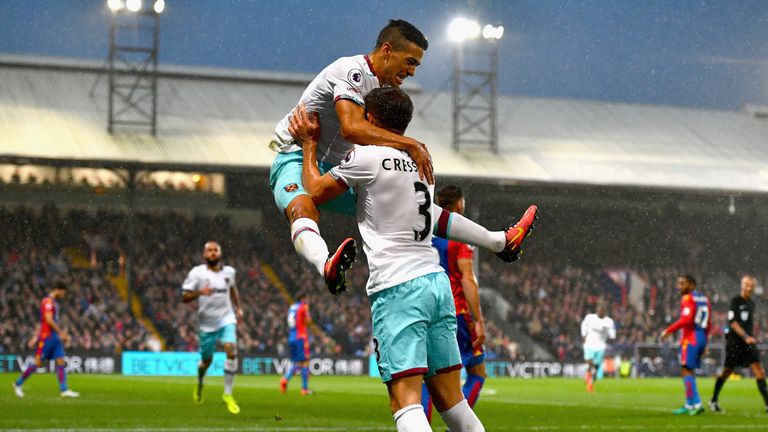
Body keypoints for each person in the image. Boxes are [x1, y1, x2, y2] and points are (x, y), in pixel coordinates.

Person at [292, 88, 536, 431]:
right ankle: (499, 238)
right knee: (453, 402)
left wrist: (308, 144)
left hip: (398, 287)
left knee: (405, 401)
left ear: (371, 120)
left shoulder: (368, 157)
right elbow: (436, 217)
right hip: (436, 285)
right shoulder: (420, 161)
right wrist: (495, 240)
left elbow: (314, 192)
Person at [270, 19, 535, 296]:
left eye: (416, 65)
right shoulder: (351, 71)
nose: (411, 71)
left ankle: (499, 241)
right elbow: (351, 129)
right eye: (409, 62)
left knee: (407, 207)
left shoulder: (383, 90)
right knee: (303, 206)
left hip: (338, 165)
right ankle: (326, 265)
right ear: (387, 50)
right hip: (296, 153)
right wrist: (409, 144)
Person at [421, 185, 490, 422]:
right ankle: (459, 426)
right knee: (478, 373)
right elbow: (467, 279)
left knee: (426, 375)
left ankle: (422, 426)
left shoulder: (425, 229)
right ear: (459, 205)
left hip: (427, 307)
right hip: (456, 311)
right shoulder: (460, 233)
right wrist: (479, 320)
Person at [182, 241, 244, 415]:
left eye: (215, 250)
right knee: (206, 362)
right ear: (204, 254)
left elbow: (233, 289)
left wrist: (238, 308)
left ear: (220, 254)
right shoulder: (197, 273)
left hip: (226, 318)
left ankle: (227, 394)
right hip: (206, 324)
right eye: (209, 250)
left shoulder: (229, 272)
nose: (212, 253)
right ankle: (200, 381)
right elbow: (185, 297)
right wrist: (200, 292)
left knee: (231, 351)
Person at [709, 275, 768, 413]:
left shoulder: (752, 304)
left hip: (748, 343)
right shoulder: (735, 301)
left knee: (759, 371)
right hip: (735, 342)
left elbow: (748, 324)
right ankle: (714, 400)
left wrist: (750, 336)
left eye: (751, 286)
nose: (749, 288)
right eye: (746, 285)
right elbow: (733, 323)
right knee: (727, 371)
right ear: (742, 286)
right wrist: (746, 336)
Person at [12, 283, 80, 398]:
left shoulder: (53, 302)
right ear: (58, 290)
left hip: (54, 338)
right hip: (47, 337)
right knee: (38, 363)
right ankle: (18, 383)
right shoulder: (48, 302)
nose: (63, 295)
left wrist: (35, 336)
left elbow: (42, 321)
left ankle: (64, 389)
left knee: (60, 361)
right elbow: (48, 320)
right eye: (63, 293)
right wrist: (61, 333)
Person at [660, 275, 711, 416]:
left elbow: (686, 319)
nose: (679, 287)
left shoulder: (688, 298)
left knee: (686, 370)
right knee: (689, 370)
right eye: (679, 283)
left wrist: (668, 331)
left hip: (691, 338)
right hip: (701, 337)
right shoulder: (705, 299)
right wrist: (705, 342)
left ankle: (697, 403)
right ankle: (689, 404)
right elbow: (709, 323)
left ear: (692, 284)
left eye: (683, 283)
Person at [280, 292, 314, 395]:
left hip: (292, 337)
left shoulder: (292, 307)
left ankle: (286, 380)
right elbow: (309, 321)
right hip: (301, 337)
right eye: (307, 299)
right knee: (305, 362)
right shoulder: (303, 307)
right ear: (303, 299)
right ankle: (303, 388)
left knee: (299, 363)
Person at [581, 303, 616, 392]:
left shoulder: (608, 321)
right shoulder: (590, 317)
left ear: (605, 312)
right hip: (589, 344)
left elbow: (612, 334)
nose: (600, 312)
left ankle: (590, 383)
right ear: (597, 310)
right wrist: (583, 335)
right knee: (589, 360)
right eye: (599, 310)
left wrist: (611, 337)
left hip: (601, 346)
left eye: (602, 311)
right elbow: (583, 325)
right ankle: (589, 373)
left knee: (596, 368)